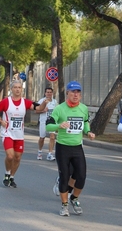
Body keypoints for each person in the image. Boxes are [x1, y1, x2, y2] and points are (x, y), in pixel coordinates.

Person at [46, 81, 95, 216]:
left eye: (78, 92)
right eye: (73, 92)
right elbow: (48, 126)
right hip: (63, 147)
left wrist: (88, 132)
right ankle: (64, 205)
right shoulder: (59, 109)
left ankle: (74, 198)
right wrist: (58, 125)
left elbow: (85, 122)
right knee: (64, 177)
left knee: (81, 176)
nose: (75, 94)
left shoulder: (83, 108)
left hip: (77, 147)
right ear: (67, 93)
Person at [0, 80, 48, 189]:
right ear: (11, 89)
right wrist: (1, 121)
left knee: (17, 157)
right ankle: (7, 173)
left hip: (19, 134)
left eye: (19, 87)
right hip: (8, 133)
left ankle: (12, 177)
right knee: (10, 155)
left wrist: (44, 103)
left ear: (22, 89)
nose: (18, 89)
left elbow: (39, 108)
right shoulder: (6, 101)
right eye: (15, 87)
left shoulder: (25, 102)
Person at [36, 87, 58, 161]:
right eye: (47, 92)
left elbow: (58, 113)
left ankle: (50, 154)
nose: (49, 94)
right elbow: (36, 111)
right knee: (42, 138)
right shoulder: (41, 101)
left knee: (52, 137)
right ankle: (39, 151)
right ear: (45, 93)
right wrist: (43, 111)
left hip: (52, 122)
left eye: (50, 92)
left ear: (52, 93)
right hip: (43, 122)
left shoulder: (55, 102)